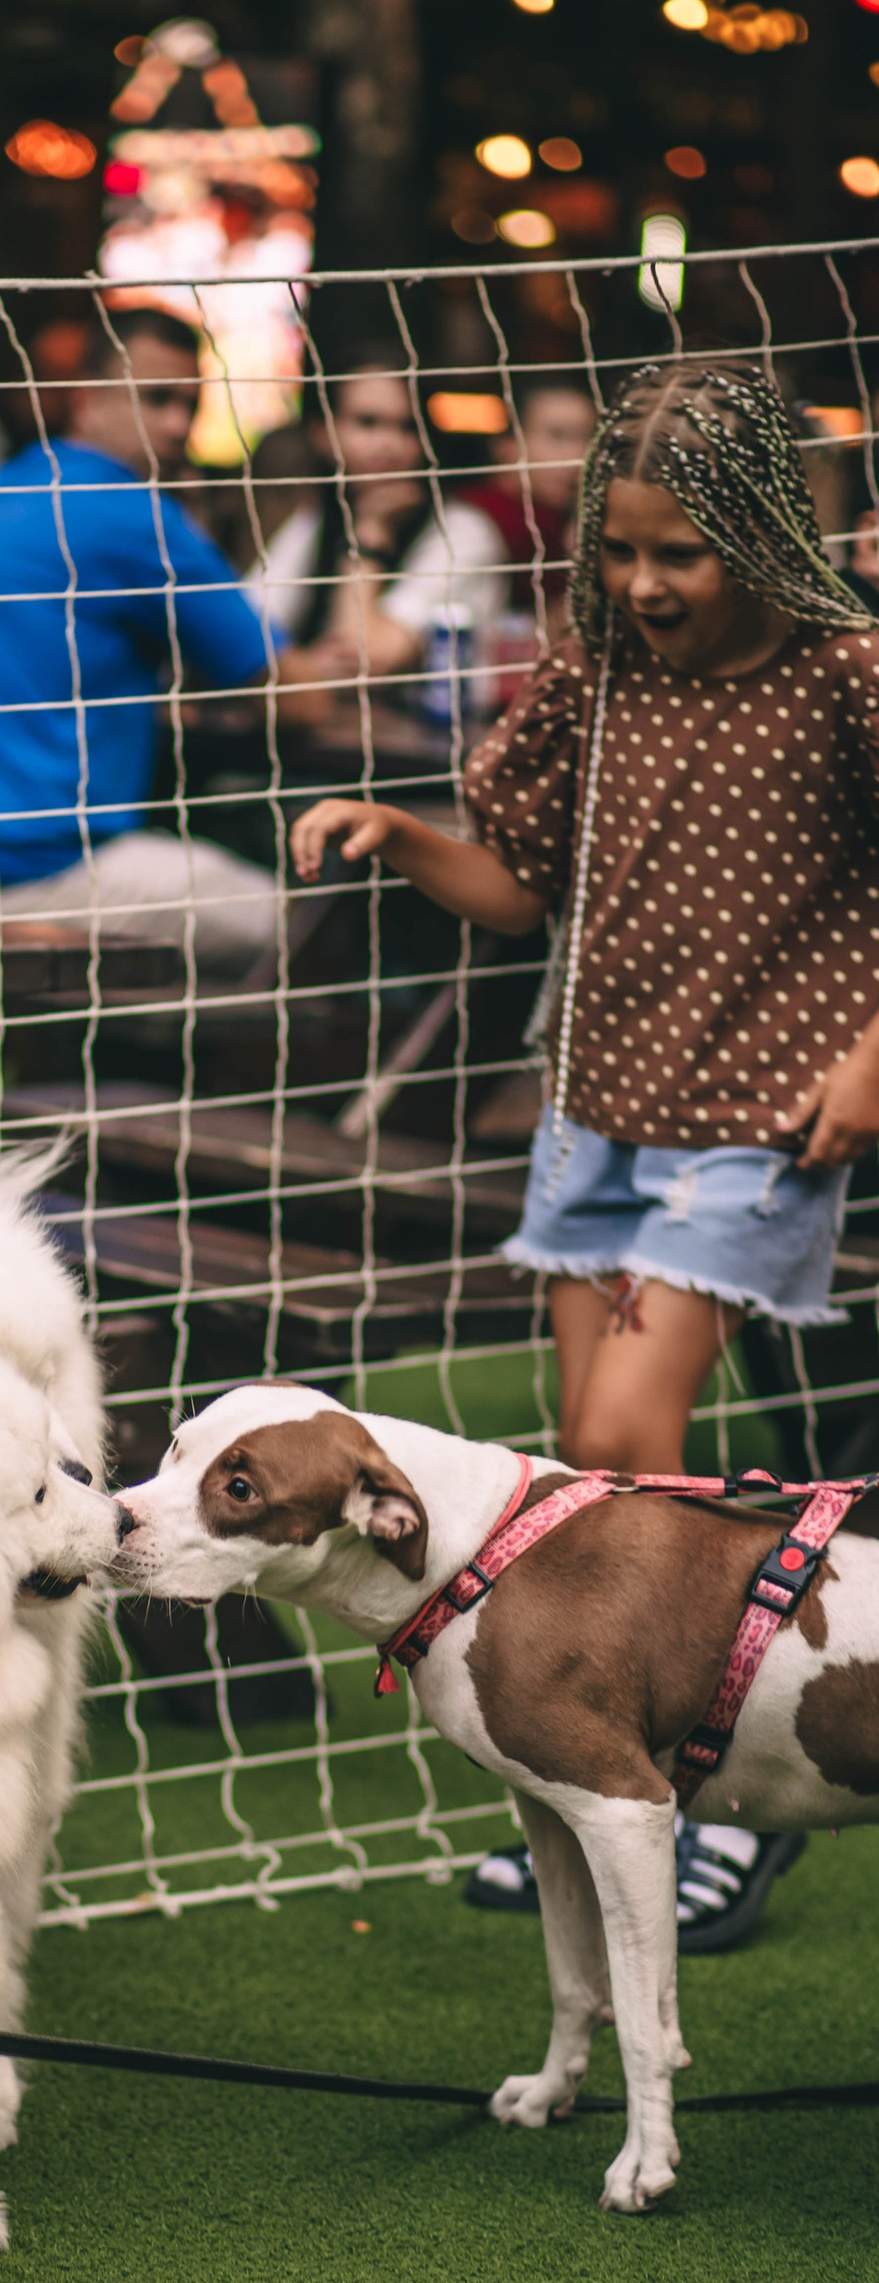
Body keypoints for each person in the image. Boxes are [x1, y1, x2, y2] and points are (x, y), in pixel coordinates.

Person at [288, 358, 879, 1951]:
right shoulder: (598, 680)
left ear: (761, 538)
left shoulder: (847, 676)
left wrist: (871, 1055)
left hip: (756, 1117)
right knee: (593, 1472)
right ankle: (613, 1785)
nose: (641, 582)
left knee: (631, 1437)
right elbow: (517, 888)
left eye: (679, 552)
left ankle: (723, 1802)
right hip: (598, 1109)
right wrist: (403, 837)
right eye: (615, 550)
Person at [0, 306, 287, 960]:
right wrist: (368, 552)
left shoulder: (1, 486)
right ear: (88, 399)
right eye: (157, 400)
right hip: (23, 878)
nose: (179, 425)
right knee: (306, 924)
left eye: (191, 404)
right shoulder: (130, 511)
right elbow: (293, 694)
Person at [248, 353, 508, 701]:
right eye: (368, 423)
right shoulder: (319, 516)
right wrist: (306, 668)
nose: (388, 445)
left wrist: (370, 538)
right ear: (323, 434)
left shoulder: (463, 532)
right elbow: (247, 631)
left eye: (408, 427)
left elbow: (363, 659)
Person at [458, 376, 598, 627]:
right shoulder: (471, 525)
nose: (578, 457)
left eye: (588, 439)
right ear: (507, 444)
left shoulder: (565, 523)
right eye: (558, 436)